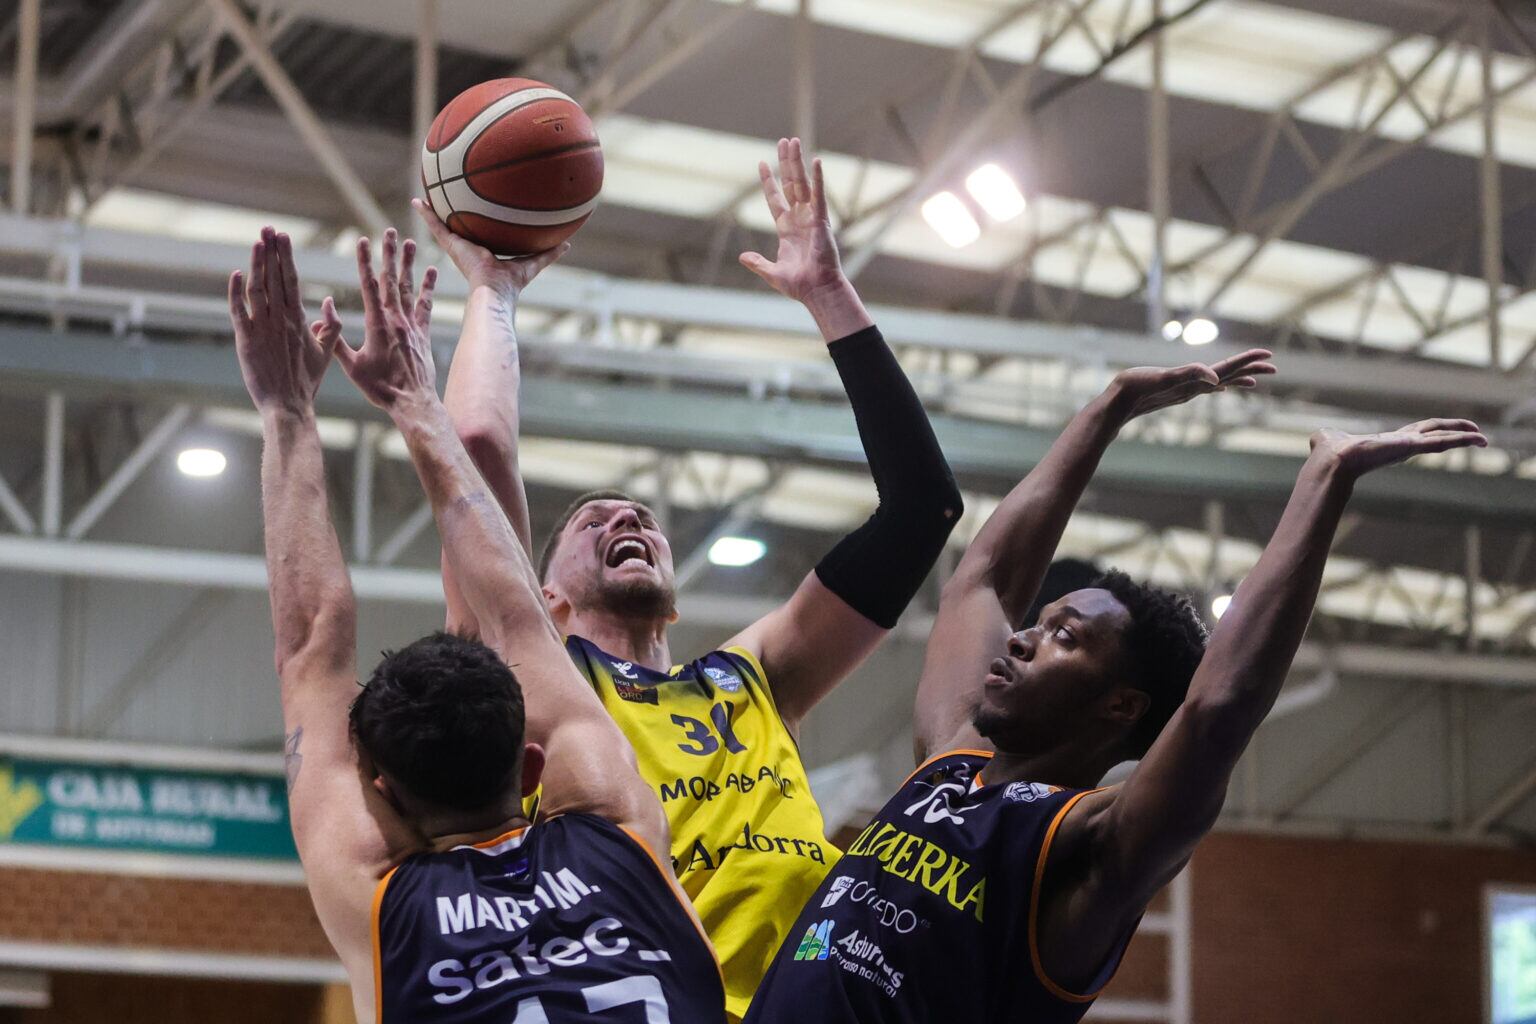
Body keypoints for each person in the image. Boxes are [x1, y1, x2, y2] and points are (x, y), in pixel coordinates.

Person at [745, 347, 1487, 1022]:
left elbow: (1217, 711)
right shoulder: (949, 759)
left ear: (1121, 705)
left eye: (1065, 637)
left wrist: (1324, 482)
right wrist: (1108, 408)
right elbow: (987, 582)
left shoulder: (1089, 847)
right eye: (1041, 623)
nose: (1023, 638)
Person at [417, 136, 962, 1020]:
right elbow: (476, 451)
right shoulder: (532, 677)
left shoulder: (754, 677)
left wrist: (829, 296)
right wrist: (493, 291)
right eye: (590, 521)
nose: (625, 519)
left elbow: (922, 510)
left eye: (639, 515)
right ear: (543, 595)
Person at [228, 226, 725, 1023]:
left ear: (384, 792)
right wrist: (416, 405)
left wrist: (287, 413)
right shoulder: (618, 831)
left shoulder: (383, 911)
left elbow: (311, 643)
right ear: (532, 769)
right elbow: (518, 616)